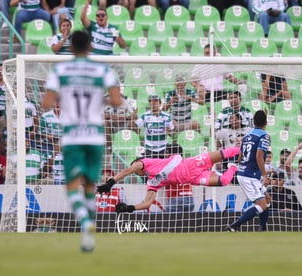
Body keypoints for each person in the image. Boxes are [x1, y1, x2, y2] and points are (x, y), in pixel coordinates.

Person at [43, 30, 123, 252]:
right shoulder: (102, 70)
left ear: (70, 47)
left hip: (72, 135)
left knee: (72, 185)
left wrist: (66, 94)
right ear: (90, 46)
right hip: (95, 135)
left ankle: (86, 223)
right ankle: (89, 230)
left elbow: (47, 103)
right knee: (89, 184)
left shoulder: (59, 70)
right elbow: (117, 101)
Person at [96, 146, 240, 213]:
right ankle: (233, 167)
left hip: (192, 163)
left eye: (134, 164)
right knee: (224, 181)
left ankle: (247, 147)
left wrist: (111, 182)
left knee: (225, 153)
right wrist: (130, 208)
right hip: (194, 178)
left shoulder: (147, 162)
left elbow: (129, 170)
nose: (134, 168)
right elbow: (147, 204)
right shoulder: (153, 182)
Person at [226, 110, 271, 232]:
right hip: (249, 176)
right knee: (262, 205)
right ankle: (234, 225)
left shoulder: (247, 135)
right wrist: (265, 176)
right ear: (266, 122)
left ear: (253, 122)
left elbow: (240, 156)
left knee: (267, 199)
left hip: (246, 173)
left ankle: (262, 229)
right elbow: (259, 156)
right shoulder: (264, 136)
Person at [135, 94, 174, 158]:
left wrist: (169, 131)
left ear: (160, 103)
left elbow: (172, 132)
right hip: (149, 148)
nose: (153, 103)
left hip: (163, 148)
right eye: (151, 101)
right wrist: (133, 118)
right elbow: (135, 126)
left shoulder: (166, 116)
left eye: (155, 101)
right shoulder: (145, 115)